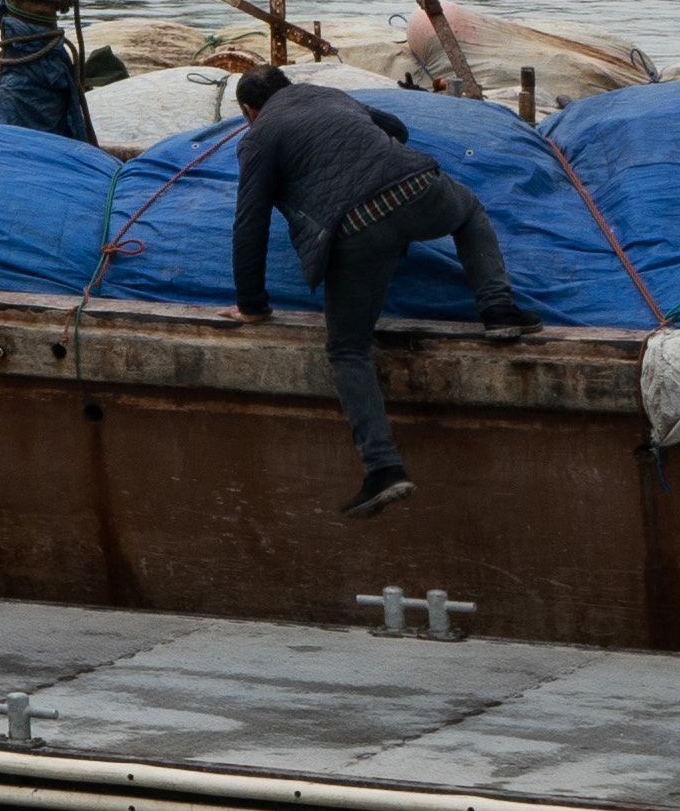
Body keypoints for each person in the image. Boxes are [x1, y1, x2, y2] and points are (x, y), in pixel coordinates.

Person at [218, 60, 533, 517]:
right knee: (468, 213)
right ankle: (498, 309)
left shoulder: (259, 137)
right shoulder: (329, 95)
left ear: (248, 110)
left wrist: (252, 304)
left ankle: (384, 468)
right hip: (418, 187)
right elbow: (395, 126)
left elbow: (250, 224)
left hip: (357, 230)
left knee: (348, 350)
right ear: (288, 86)